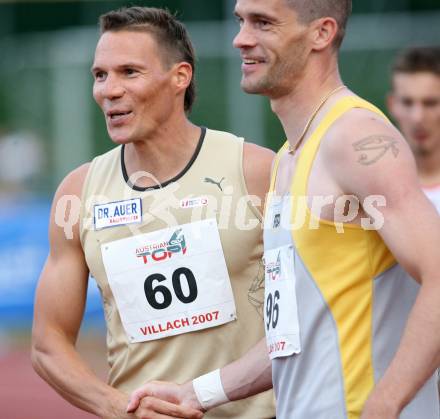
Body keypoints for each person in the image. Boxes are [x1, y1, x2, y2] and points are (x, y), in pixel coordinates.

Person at [126, 1, 440, 418]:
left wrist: (385, 404)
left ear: (321, 33)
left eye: (263, 23)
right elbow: (292, 333)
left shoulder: (354, 137)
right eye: (241, 21)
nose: (241, 38)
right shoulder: (288, 160)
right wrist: (197, 393)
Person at [31, 6, 276, 419]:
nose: (108, 90)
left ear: (180, 77)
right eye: (100, 75)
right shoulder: (78, 193)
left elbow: (309, 312)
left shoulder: (256, 171)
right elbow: (47, 342)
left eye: (129, 72)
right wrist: (120, 408)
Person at [388, 46, 440, 213]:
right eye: (407, 102)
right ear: (392, 105)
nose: (418, 117)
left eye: (430, 103)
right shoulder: (373, 186)